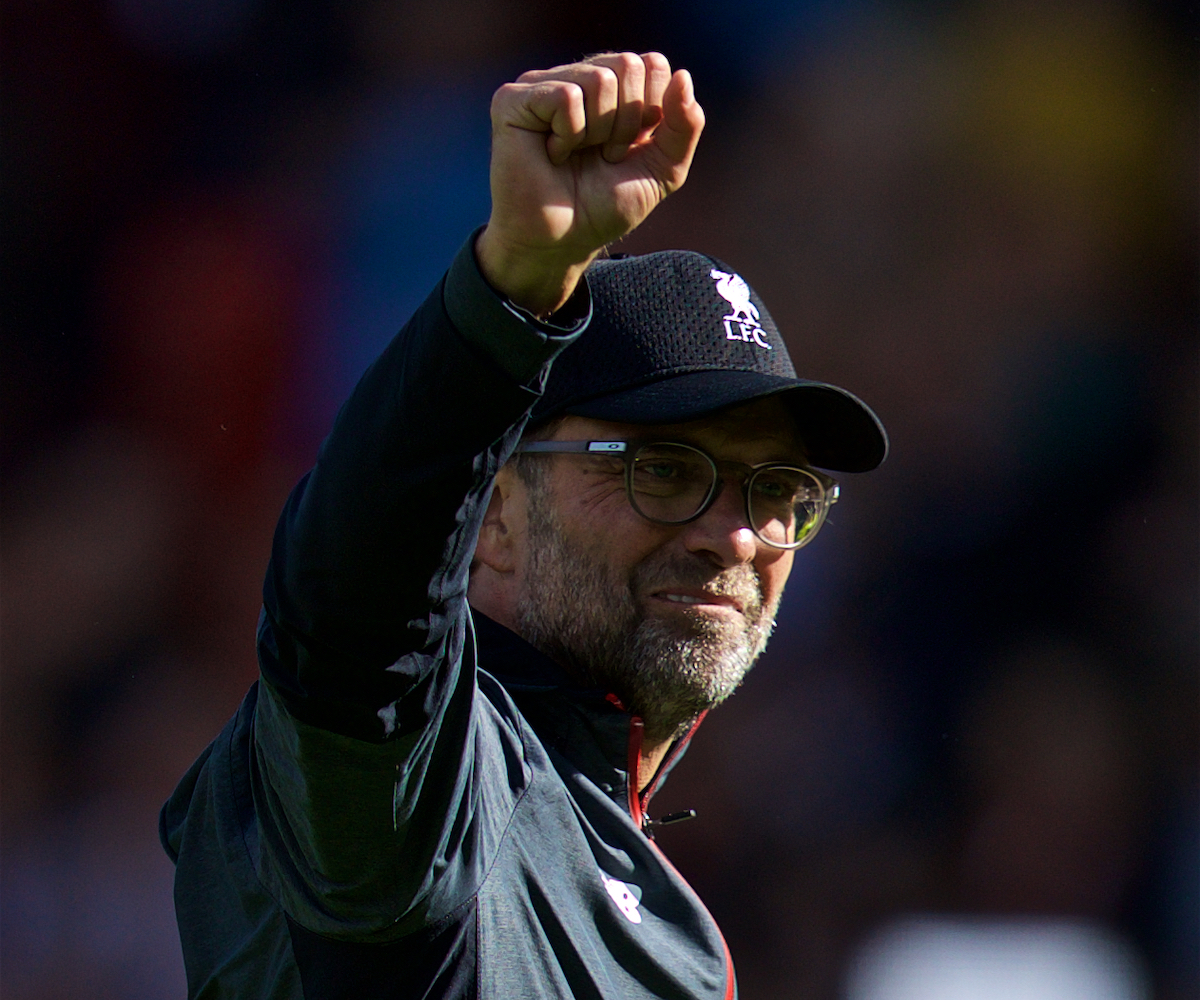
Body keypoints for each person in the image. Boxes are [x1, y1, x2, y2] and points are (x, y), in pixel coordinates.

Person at [160, 52, 886, 999]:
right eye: (665, 470)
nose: (735, 536)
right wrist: (509, 291)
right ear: (494, 513)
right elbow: (349, 612)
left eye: (777, 491)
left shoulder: (679, 935)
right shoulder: (421, 785)